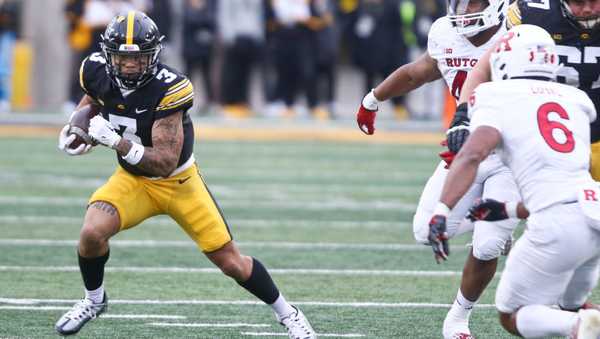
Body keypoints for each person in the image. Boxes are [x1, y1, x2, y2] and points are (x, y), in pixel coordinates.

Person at [54, 11, 316, 339]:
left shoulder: (171, 88)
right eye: (122, 59)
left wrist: (115, 141)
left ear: (155, 56)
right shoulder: (93, 69)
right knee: (91, 233)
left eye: (139, 59)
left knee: (231, 262)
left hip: (179, 182)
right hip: (133, 180)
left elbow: (164, 162)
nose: (131, 66)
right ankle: (94, 300)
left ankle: (288, 314)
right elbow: (94, 98)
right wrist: (77, 126)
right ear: (109, 55)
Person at [356, 1, 519, 337]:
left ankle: (458, 317)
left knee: (487, 246)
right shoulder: (445, 31)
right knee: (423, 231)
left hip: (511, 155)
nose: (464, 8)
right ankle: (497, 217)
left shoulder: (521, 31)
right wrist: (372, 99)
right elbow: (420, 71)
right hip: (464, 151)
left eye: (473, 1)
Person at [429, 24, 600, 338]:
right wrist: (508, 209)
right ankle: (579, 321)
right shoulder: (576, 99)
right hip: (593, 211)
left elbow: (472, 154)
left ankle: (577, 326)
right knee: (575, 306)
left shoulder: (496, 95)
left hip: (558, 223)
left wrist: (442, 209)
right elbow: (556, 176)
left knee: (512, 314)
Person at [455, 0, 600, 180]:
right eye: (579, 2)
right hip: (540, 138)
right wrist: (462, 115)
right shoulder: (535, 14)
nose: (587, 9)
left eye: (594, 1)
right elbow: (483, 69)